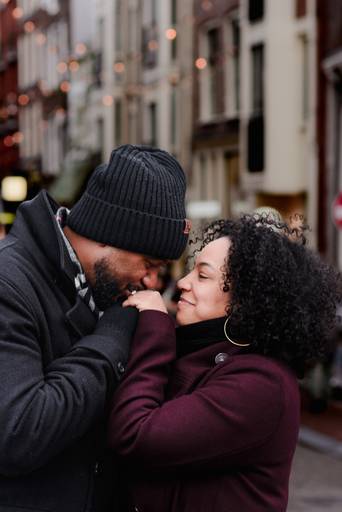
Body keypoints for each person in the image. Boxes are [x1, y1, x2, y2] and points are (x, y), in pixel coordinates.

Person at [0, 144, 189, 512]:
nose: (150, 281)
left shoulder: (99, 291)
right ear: (107, 231)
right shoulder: (9, 285)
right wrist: (113, 338)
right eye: (148, 263)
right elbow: (19, 432)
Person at [108, 215, 341, 512]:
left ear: (245, 301)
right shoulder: (201, 353)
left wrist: (155, 329)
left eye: (202, 276)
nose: (182, 282)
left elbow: (136, 436)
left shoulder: (261, 383)